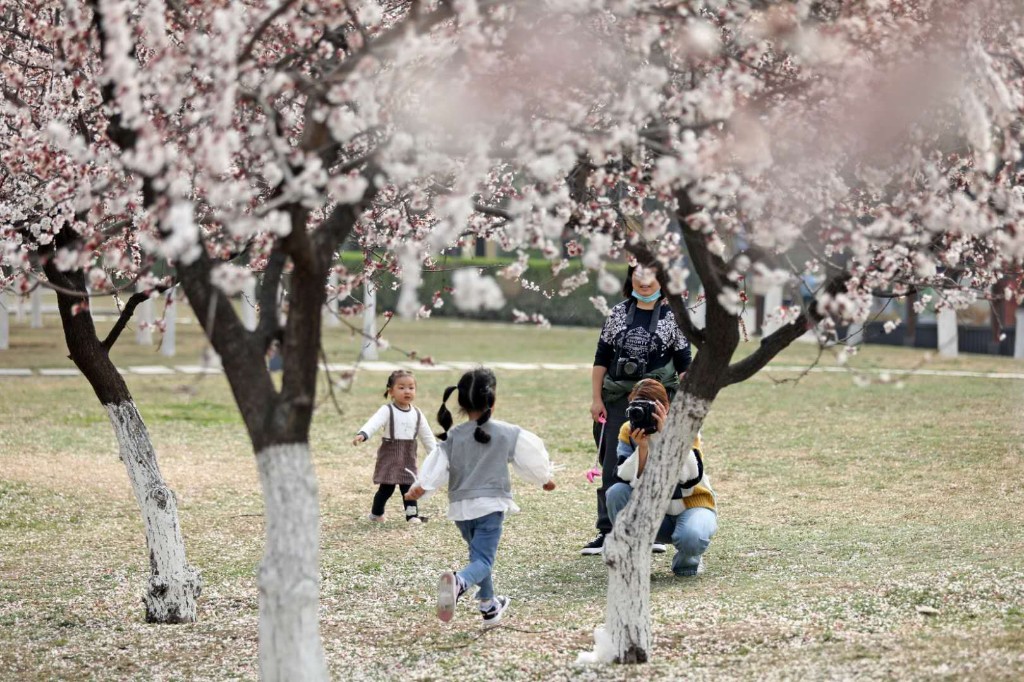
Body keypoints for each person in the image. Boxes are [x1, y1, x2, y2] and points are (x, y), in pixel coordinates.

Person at [405, 367, 556, 628]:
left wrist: (422, 487)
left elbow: (436, 468)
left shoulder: (453, 436)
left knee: (478, 557)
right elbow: (532, 461)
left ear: (461, 403)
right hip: (490, 507)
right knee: (483, 561)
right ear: (492, 401)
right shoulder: (508, 432)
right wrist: (545, 479)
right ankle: (460, 582)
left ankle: (489, 606)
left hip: (461, 510)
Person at [582, 262, 692, 555]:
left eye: (652, 276)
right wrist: (596, 398)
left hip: (657, 398)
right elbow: (601, 358)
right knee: (611, 466)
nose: (644, 281)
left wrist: (685, 407)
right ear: (630, 279)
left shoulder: (674, 317)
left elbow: (685, 366)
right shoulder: (617, 313)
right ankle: (608, 530)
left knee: (654, 461)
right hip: (618, 397)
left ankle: (651, 529)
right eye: (638, 275)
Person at [607, 379, 716, 576]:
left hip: (692, 505)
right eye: (635, 407)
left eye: (649, 407)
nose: (642, 413)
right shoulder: (629, 429)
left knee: (691, 536)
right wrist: (642, 448)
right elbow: (623, 475)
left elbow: (691, 475)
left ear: (665, 406)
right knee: (616, 493)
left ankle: (687, 563)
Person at [353, 369, 436, 523]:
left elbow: (427, 436)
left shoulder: (417, 414)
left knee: (409, 489)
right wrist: (363, 434)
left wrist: (436, 454)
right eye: (401, 387)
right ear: (391, 391)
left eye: (411, 387)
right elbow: (374, 423)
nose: (407, 391)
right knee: (386, 489)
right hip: (390, 456)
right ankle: (376, 514)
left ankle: (412, 515)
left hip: (408, 457)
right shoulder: (387, 410)